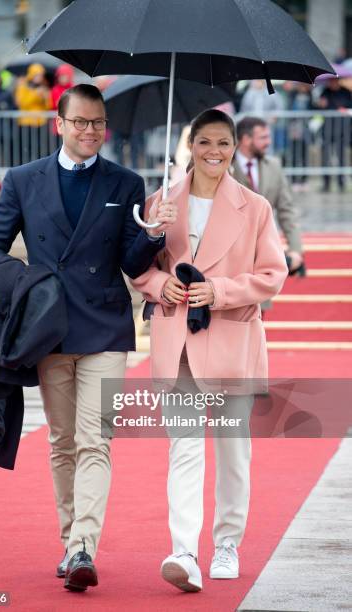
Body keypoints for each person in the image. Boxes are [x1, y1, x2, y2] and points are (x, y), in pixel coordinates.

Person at [0, 84, 175, 592]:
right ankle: (72, 545)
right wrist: (21, 288)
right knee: (63, 441)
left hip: (106, 326)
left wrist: (151, 234)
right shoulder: (22, 180)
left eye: (98, 123)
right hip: (47, 328)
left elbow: (132, 264)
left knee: (96, 439)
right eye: (80, 122)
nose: (90, 131)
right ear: (58, 124)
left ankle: (84, 544)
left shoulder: (127, 181)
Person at [131, 109, 287, 592]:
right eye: (204, 143)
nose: (213, 152)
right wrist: (161, 282)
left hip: (232, 340)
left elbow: (271, 275)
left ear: (235, 148)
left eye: (223, 143)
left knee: (233, 451)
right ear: (190, 145)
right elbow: (138, 270)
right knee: (183, 447)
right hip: (177, 341)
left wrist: (218, 291)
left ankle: (227, 543)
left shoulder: (255, 206)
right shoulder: (160, 201)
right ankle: (183, 550)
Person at [232, 116, 304, 291]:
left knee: (259, 311)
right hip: (233, 255)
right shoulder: (226, 167)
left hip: (264, 253)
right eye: (263, 137)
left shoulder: (274, 166)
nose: (269, 142)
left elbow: (287, 210)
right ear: (245, 139)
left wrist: (295, 249)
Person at [315, 77, 352, 192]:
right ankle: (326, 183)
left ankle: (341, 183)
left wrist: (344, 110)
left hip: (342, 129)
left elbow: (349, 107)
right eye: (330, 81)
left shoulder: (346, 92)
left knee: (341, 156)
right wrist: (320, 104)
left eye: (334, 81)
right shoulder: (324, 91)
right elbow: (318, 107)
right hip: (327, 129)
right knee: (325, 156)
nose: (331, 83)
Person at [14, 63, 51, 163]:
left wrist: (45, 97)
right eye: (37, 75)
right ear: (31, 74)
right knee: (26, 150)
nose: (39, 77)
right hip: (26, 122)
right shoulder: (23, 86)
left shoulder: (44, 87)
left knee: (39, 149)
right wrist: (35, 94)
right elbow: (22, 103)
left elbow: (48, 106)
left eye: (41, 75)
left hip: (40, 123)